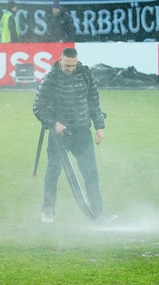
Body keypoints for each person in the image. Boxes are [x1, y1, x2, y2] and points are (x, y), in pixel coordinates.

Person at [34, 48, 114, 223]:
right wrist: (55, 124)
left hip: (82, 133)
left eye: (73, 64)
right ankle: (47, 210)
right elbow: (38, 106)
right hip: (59, 136)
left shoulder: (86, 75)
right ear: (60, 60)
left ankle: (99, 212)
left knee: (91, 173)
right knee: (53, 172)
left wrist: (100, 127)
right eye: (67, 65)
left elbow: (94, 101)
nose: (70, 68)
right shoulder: (50, 78)